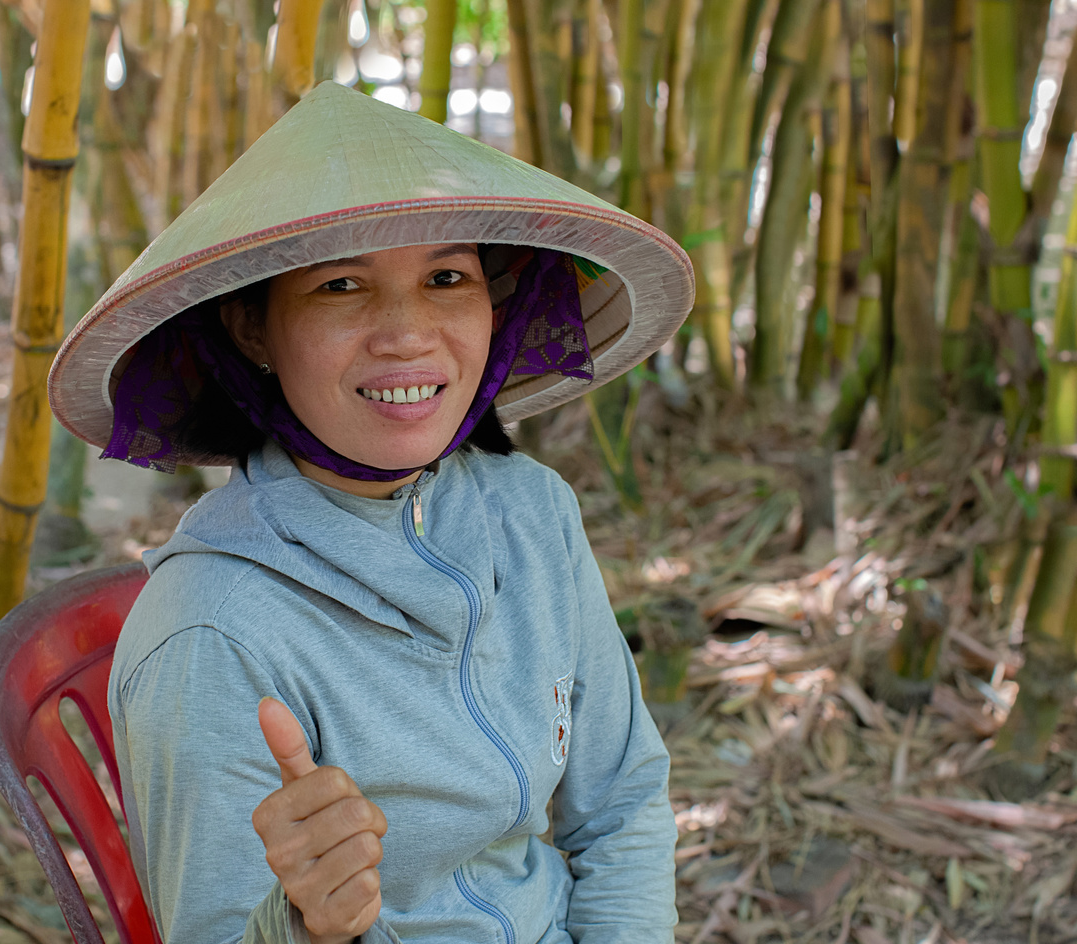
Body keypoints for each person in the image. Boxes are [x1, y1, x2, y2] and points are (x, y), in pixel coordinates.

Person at [48, 81, 695, 944]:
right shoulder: (213, 637)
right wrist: (310, 928)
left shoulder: (531, 515)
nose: (407, 333)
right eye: (342, 284)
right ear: (252, 332)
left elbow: (620, 803)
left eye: (446, 277)